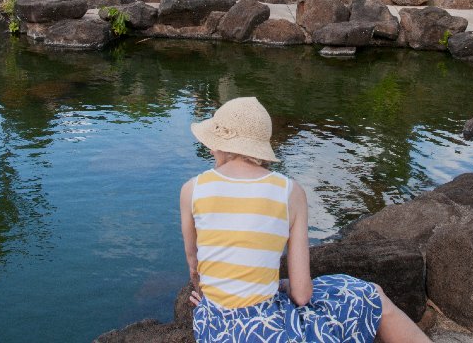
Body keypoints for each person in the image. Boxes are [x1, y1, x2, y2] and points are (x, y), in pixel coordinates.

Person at [180, 96, 430, 343]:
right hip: (265, 332)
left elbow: (195, 267)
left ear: (221, 144)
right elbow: (301, 295)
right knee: (372, 295)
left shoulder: (192, 190)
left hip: (213, 328)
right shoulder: (290, 192)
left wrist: (211, 303)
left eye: (212, 142)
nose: (210, 148)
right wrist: (284, 285)